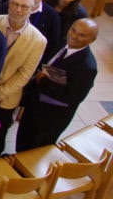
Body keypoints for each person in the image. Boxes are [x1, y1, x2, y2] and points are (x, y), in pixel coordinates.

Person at [17, 18, 99, 151]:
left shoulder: (87, 67)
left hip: (50, 118)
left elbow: (73, 98)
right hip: (34, 105)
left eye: (82, 35)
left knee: (34, 151)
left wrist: (43, 80)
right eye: (73, 30)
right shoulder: (62, 42)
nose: (74, 36)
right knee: (22, 140)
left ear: (92, 40)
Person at [0, 0, 46, 158]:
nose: (18, 9)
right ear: (9, 4)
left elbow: (25, 74)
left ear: (32, 9)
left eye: (24, 6)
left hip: (6, 95)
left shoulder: (38, 40)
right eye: (15, 4)